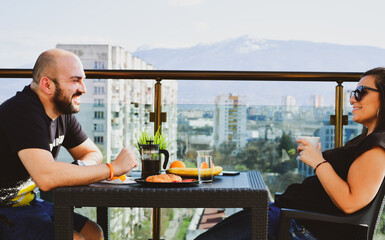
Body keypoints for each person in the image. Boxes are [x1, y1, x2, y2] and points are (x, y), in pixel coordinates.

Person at [195, 67, 385, 240]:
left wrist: (319, 163)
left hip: (296, 227)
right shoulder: (366, 141)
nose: (352, 99)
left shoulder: (377, 149)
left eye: (360, 93)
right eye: (353, 93)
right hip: (286, 218)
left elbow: (350, 203)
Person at [0, 49, 138, 240]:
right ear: (47, 84)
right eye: (75, 80)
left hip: (27, 204)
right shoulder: (22, 112)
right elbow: (47, 177)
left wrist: (79, 169)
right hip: (5, 209)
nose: (83, 88)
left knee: (93, 232)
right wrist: (112, 168)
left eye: (83, 80)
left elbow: (92, 152)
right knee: (74, 238)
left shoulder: (61, 114)